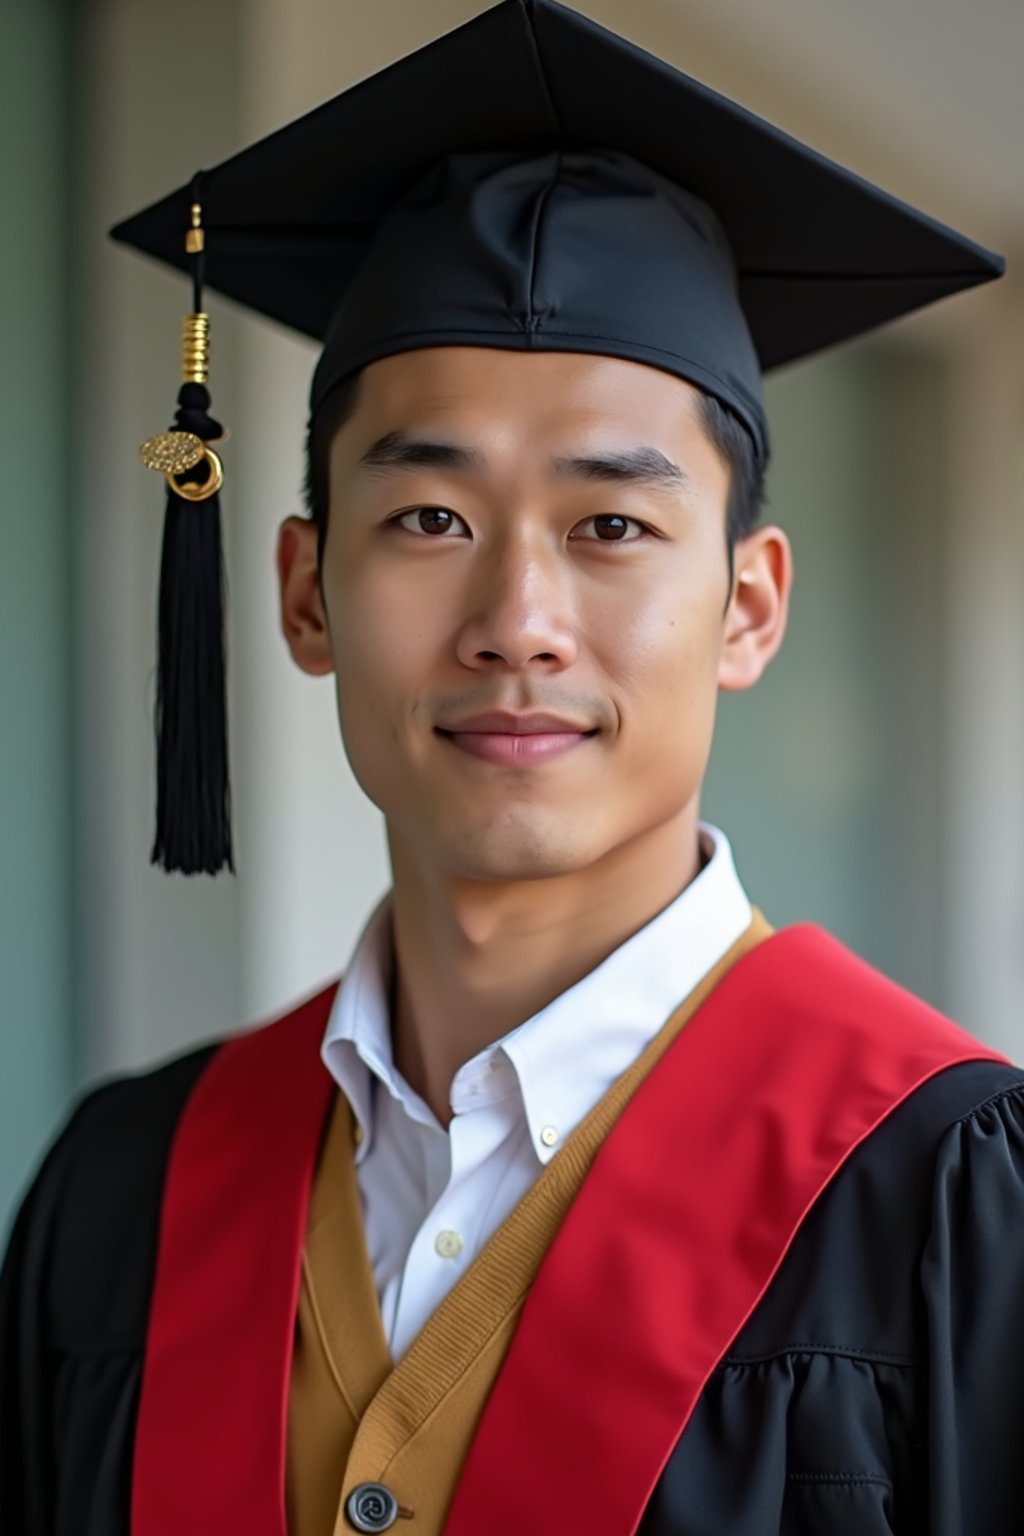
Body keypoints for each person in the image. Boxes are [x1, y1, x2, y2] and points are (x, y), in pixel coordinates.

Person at [2, 3, 1022, 1533]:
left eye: (611, 525)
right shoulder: (125, 1191)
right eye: (428, 520)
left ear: (748, 608)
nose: (516, 624)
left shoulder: (954, 1199)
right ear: (301, 593)